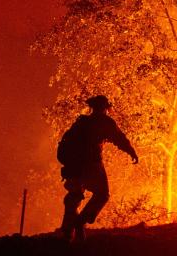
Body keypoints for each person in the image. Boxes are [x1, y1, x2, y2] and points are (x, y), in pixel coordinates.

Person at [57, 95, 137, 242]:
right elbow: (119, 139)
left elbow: (66, 142)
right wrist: (132, 152)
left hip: (73, 165)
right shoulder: (105, 122)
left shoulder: (81, 122)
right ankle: (79, 222)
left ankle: (69, 233)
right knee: (102, 194)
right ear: (105, 108)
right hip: (92, 165)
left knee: (74, 197)